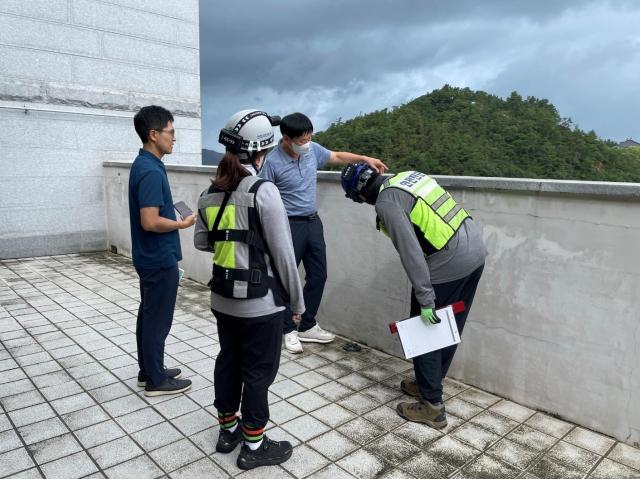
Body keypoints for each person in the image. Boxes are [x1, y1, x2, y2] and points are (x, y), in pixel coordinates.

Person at [194, 110, 305, 470]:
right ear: (262, 152)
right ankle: (254, 447)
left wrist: (234, 241)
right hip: (260, 304)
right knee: (258, 372)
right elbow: (285, 256)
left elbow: (202, 242)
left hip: (221, 300)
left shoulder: (209, 193)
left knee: (229, 360)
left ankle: (228, 431)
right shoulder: (263, 191)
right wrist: (298, 304)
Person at [341, 163, 487, 428]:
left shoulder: (386, 203)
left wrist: (426, 298)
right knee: (448, 325)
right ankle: (426, 383)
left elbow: (411, 253)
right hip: (474, 250)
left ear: (360, 196)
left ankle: (432, 406)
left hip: (449, 262)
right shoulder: (407, 177)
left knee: (424, 331)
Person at [260, 112, 387, 353]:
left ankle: (307, 325)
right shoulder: (271, 162)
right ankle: (287, 329)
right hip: (287, 225)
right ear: (286, 138)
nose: (306, 144)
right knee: (285, 279)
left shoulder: (312, 151)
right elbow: (262, 196)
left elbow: (337, 156)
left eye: (309, 138)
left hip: (312, 221)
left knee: (318, 275)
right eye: (301, 140)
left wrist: (364, 158)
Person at [129, 105, 195, 397]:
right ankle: (156, 380)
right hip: (158, 258)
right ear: (153, 134)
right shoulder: (150, 171)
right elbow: (150, 221)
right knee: (157, 319)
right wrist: (182, 224)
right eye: (171, 132)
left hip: (149, 257)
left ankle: (149, 370)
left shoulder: (145, 164)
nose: (175, 138)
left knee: (148, 315)